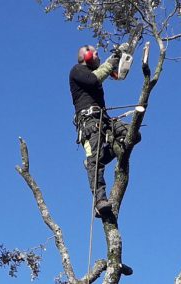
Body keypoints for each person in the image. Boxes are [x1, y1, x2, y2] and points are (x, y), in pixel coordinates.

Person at [69, 45, 127, 218]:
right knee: (95, 161)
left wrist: (118, 57)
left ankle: (96, 159)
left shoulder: (94, 72)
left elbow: (110, 74)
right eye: (96, 53)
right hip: (89, 123)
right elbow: (95, 79)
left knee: (130, 134)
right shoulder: (77, 71)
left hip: (104, 120)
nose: (98, 56)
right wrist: (111, 63)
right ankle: (100, 200)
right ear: (86, 56)